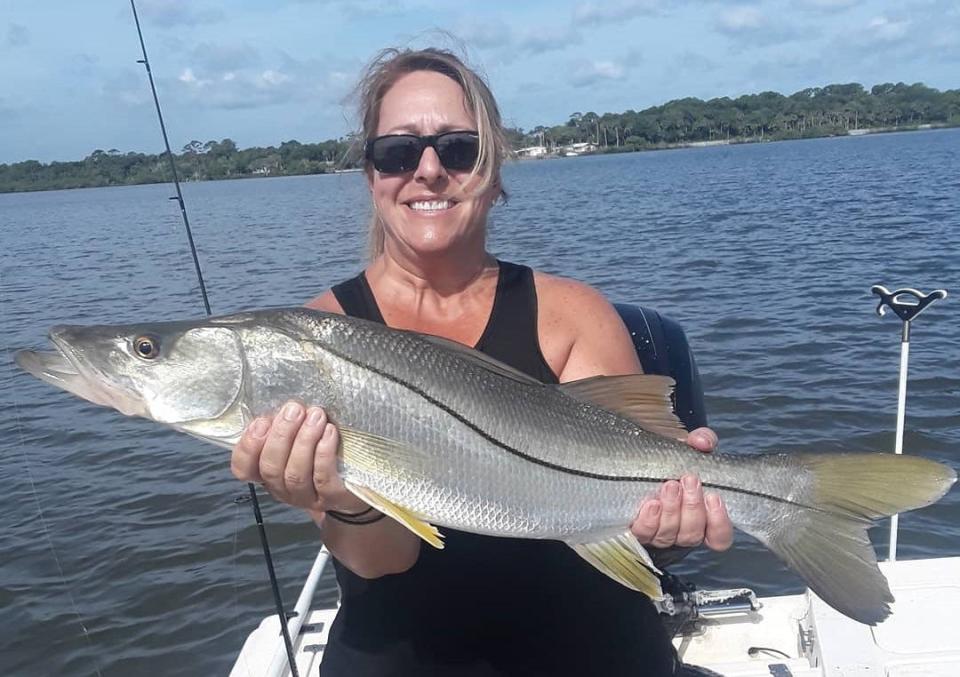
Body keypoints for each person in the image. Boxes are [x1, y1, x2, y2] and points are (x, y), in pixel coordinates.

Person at [231, 47, 734, 676]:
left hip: (593, 652)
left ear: (495, 174)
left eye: (460, 149)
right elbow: (381, 562)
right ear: (371, 177)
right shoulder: (312, 342)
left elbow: (641, 516)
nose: (429, 171)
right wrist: (343, 500)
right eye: (398, 152)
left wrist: (674, 518)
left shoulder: (575, 314)